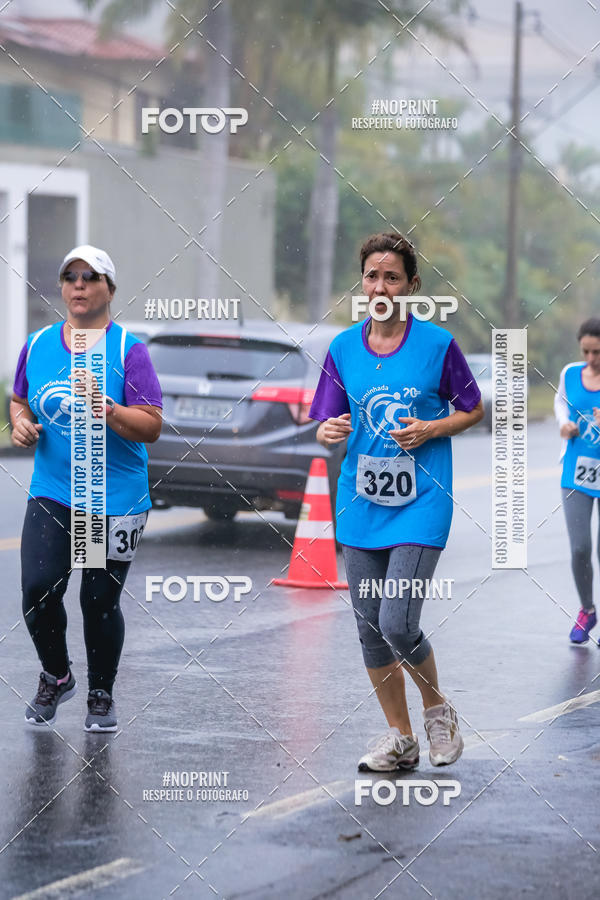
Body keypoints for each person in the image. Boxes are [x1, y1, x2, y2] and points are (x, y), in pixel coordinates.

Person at [309, 232, 483, 771]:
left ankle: (437, 712)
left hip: (421, 503)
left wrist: (432, 427)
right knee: (369, 627)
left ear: (412, 285)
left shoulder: (437, 346)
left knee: (397, 622)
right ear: (361, 283)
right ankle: (401, 738)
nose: (380, 287)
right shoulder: (343, 348)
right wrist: (326, 431)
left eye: (392, 277)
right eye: (372, 276)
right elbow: (326, 420)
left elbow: (473, 409)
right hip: (361, 503)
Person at [11, 245, 163, 732]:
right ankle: (56, 675)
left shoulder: (127, 351)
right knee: (39, 588)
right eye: (70, 276)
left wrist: (111, 410)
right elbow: (20, 400)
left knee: (96, 600)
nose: (78, 284)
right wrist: (20, 424)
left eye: (90, 277)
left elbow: (152, 426)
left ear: (109, 290)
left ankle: (101, 692)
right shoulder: (38, 345)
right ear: (61, 288)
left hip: (108, 496)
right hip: (54, 489)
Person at [554, 317, 600, 646]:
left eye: (597, 352)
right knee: (580, 548)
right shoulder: (570, 374)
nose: (591, 359)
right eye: (586, 351)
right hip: (576, 472)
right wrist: (564, 422)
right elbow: (560, 402)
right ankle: (587, 610)